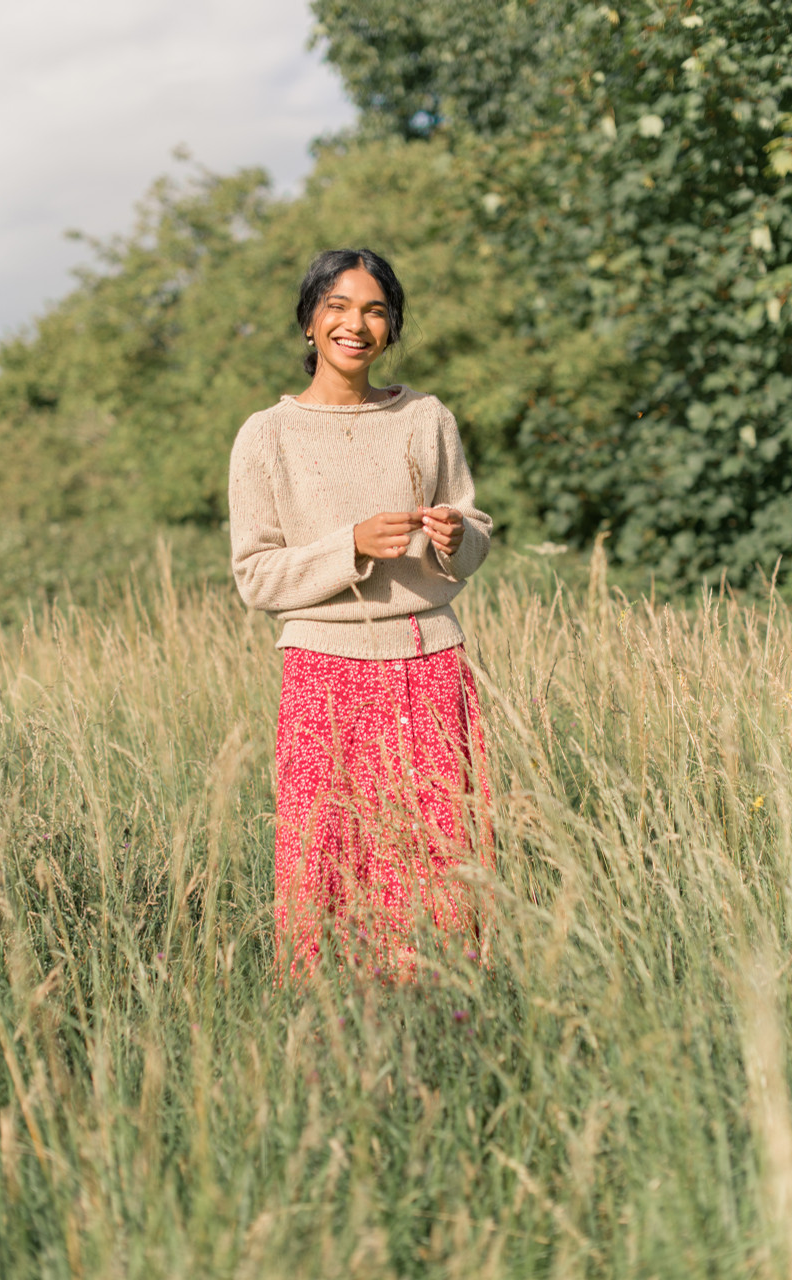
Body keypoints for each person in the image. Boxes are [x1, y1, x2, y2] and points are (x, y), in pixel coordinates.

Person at [228, 248, 493, 977]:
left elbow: (475, 535)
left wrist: (453, 538)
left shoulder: (425, 418)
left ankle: (445, 1014)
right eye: (337, 307)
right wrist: (349, 547)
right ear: (309, 323)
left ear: (392, 327)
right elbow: (255, 576)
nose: (356, 324)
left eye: (375, 310)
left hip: (430, 661)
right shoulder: (265, 435)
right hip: (322, 672)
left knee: (441, 856)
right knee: (326, 859)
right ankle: (330, 1033)